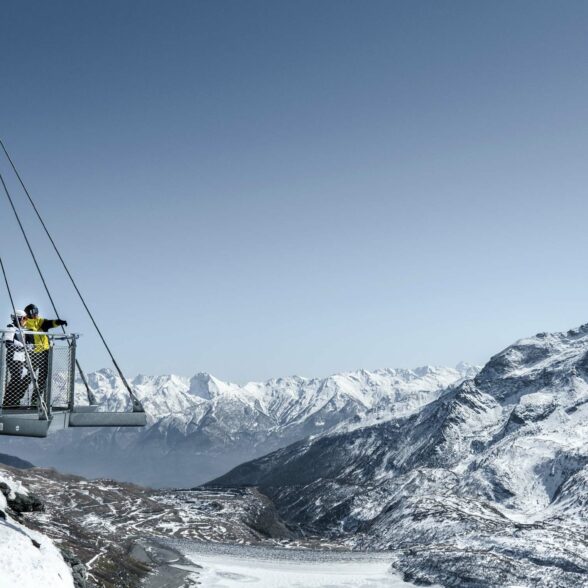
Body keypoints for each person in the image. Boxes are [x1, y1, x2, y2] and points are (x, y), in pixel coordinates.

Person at [23, 304, 67, 404]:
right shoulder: (26, 323)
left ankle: (35, 400)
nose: (35, 314)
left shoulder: (40, 321)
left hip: (44, 352)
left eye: (36, 311)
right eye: (33, 312)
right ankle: (15, 397)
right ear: (28, 313)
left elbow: (50, 323)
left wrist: (59, 322)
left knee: (43, 376)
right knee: (29, 377)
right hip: (33, 353)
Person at [3, 310, 32, 408]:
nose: (25, 321)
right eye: (24, 318)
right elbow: (8, 343)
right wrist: (22, 348)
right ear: (18, 318)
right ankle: (9, 402)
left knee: (22, 379)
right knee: (16, 379)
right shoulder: (11, 328)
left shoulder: (22, 330)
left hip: (21, 358)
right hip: (13, 358)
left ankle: (13, 400)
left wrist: (28, 346)